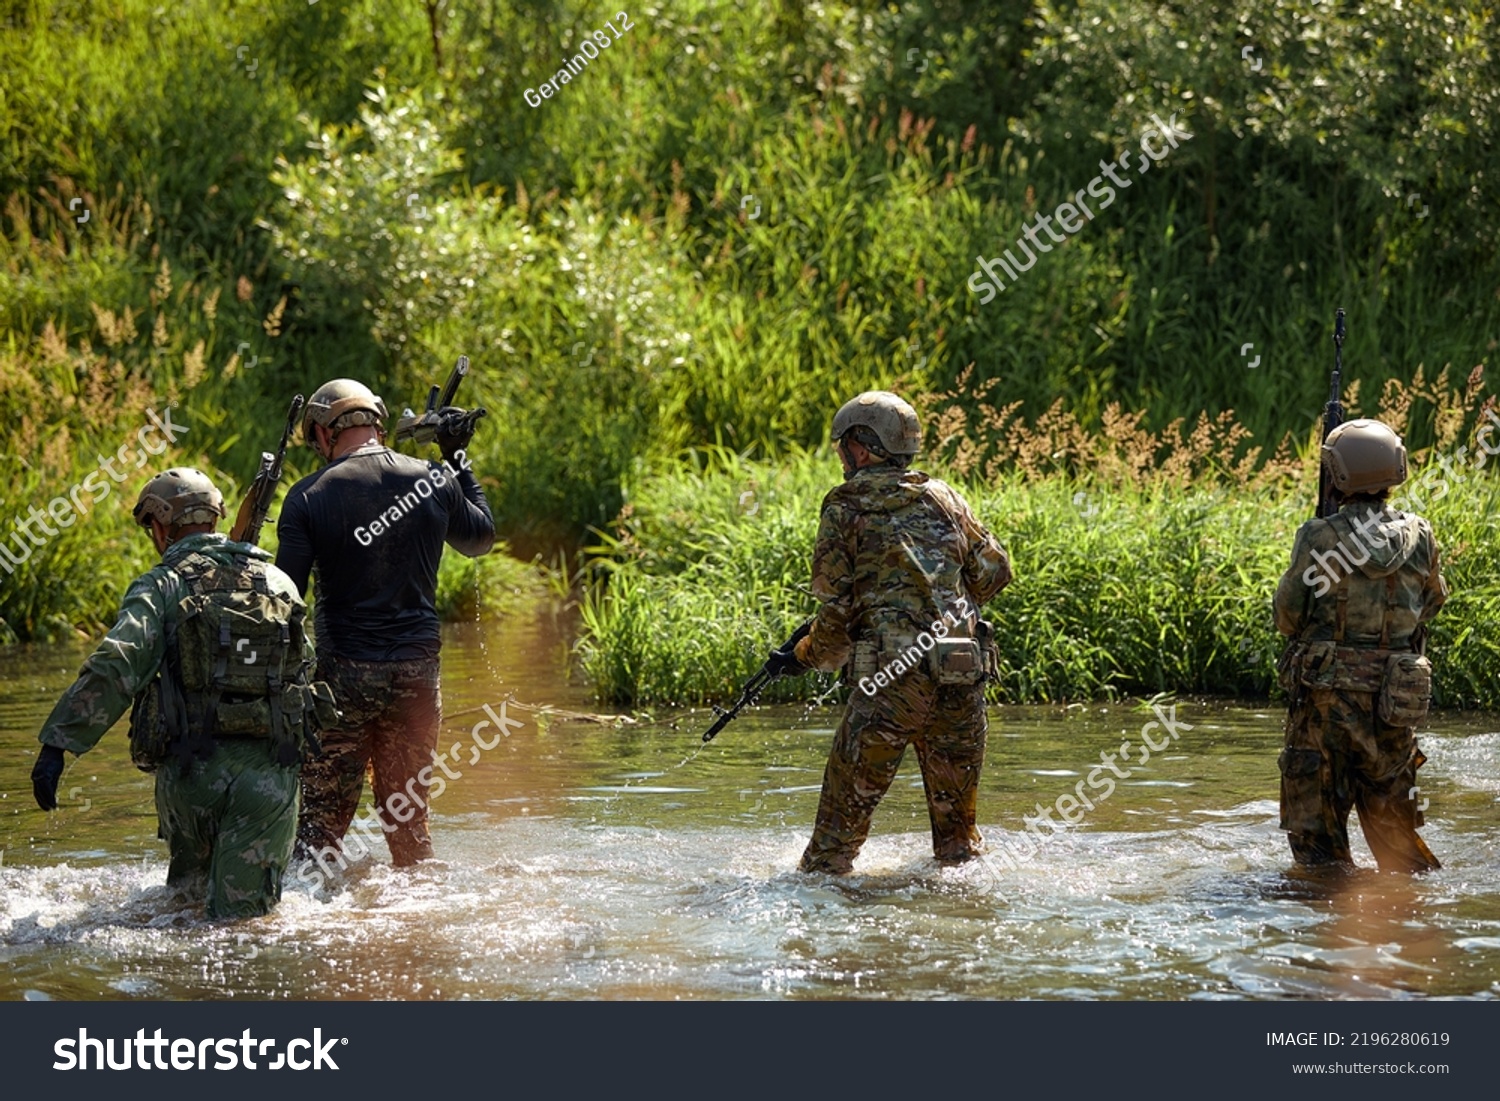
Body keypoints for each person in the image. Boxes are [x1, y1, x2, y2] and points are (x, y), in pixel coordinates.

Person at [29, 468, 326, 919]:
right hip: (269, 778)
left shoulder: (161, 585)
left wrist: (58, 744)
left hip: (191, 776)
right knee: (245, 924)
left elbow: (117, 663)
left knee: (183, 912)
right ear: (214, 519)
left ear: (162, 527)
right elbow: (304, 670)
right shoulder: (279, 582)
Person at [768, 390, 1012, 873]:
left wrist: (801, 656)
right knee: (959, 855)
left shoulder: (844, 507)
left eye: (842, 446)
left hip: (888, 688)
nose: (840, 456)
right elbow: (995, 571)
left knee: (827, 859)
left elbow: (836, 627)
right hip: (961, 677)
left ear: (862, 446)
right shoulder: (945, 497)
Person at [275, 378, 495, 870]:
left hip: (342, 680)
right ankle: (416, 926)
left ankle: (305, 930)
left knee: (318, 832)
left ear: (322, 433)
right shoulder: (434, 479)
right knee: (409, 825)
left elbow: (285, 600)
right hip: (417, 677)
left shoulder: (308, 496)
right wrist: (456, 456)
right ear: (377, 422)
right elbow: (480, 538)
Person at [1274, 418, 1447, 873]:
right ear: (1396, 468)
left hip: (1324, 711)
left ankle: (1330, 935)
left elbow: (1287, 618)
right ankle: (1406, 926)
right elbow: (1431, 604)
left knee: (1318, 861)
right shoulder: (1420, 535)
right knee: (1402, 855)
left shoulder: (1318, 537)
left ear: (1336, 474)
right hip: (1395, 707)